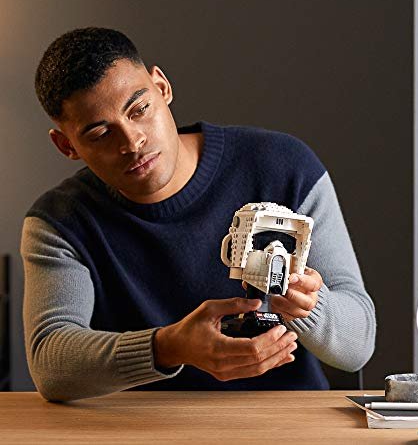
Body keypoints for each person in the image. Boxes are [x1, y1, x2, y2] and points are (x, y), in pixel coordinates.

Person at [22, 27, 376, 402]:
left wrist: (311, 306)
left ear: (162, 87)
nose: (132, 142)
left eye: (139, 110)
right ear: (67, 145)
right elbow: (50, 363)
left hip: (286, 418)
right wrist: (168, 347)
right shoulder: (59, 222)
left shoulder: (284, 168)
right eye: (99, 133)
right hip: (139, 424)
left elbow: (358, 347)